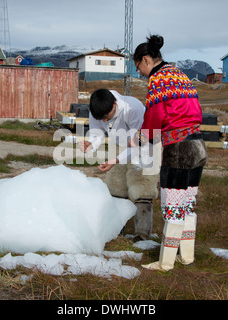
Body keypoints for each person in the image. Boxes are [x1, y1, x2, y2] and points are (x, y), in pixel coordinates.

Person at [134, 35, 207, 271]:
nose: (141, 73)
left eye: (139, 68)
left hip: (178, 148)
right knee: (187, 205)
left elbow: (155, 116)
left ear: (146, 60)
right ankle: (186, 256)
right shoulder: (179, 74)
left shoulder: (158, 80)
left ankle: (165, 263)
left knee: (173, 207)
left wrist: (143, 137)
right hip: (198, 145)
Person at [80, 89, 159, 241]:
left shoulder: (133, 108)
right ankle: (116, 230)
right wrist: (91, 143)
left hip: (144, 145)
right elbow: (97, 132)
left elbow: (137, 143)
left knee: (142, 187)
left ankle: (142, 234)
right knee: (116, 186)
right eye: (100, 118)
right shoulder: (98, 109)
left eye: (106, 117)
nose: (104, 121)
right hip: (118, 143)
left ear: (115, 104)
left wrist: (115, 160)